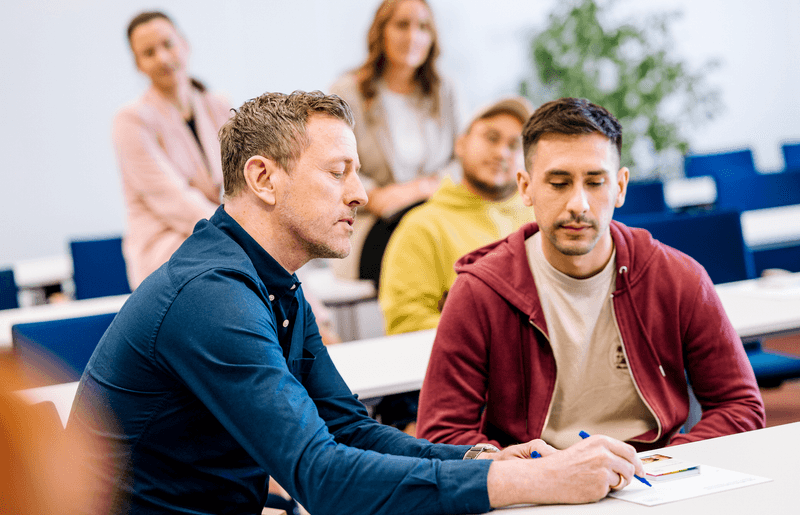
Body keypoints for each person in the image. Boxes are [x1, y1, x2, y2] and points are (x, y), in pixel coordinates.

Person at [68, 91, 646, 514]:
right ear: (263, 179)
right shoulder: (212, 297)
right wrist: (533, 482)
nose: (361, 194)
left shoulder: (273, 283)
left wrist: (481, 461)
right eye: (338, 172)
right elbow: (321, 478)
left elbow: (347, 428)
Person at [417, 97, 765, 451]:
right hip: (534, 476)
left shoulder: (677, 278)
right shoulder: (480, 291)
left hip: (654, 469)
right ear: (525, 187)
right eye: (558, 183)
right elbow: (442, 434)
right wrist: (527, 471)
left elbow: (740, 406)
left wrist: (667, 464)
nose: (578, 205)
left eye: (595, 182)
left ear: (620, 187)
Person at [379, 96, 535, 336]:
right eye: (491, 137)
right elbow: (406, 325)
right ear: (461, 144)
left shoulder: (540, 221)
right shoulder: (422, 227)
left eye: (514, 145)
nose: (502, 152)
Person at [330, 0, 462, 281]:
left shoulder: (444, 91)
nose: (413, 36)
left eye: (423, 27)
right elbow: (332, 163)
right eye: (402, 25)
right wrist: (374, 196)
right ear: (381, 31)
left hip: (437, 215)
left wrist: (422, 188)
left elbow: (462, 160)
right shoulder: (348, 91)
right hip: (375, 222)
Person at [113, 11, 230, 288]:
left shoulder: (219, 106)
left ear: (185, 44)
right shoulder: (131, 120)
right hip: (167, 252)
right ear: (138, 64)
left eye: (168, 44)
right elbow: (173, 200)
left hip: (223, 239)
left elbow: (242, 181)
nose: (163, 58)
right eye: (149, 53)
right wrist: (239, 231)